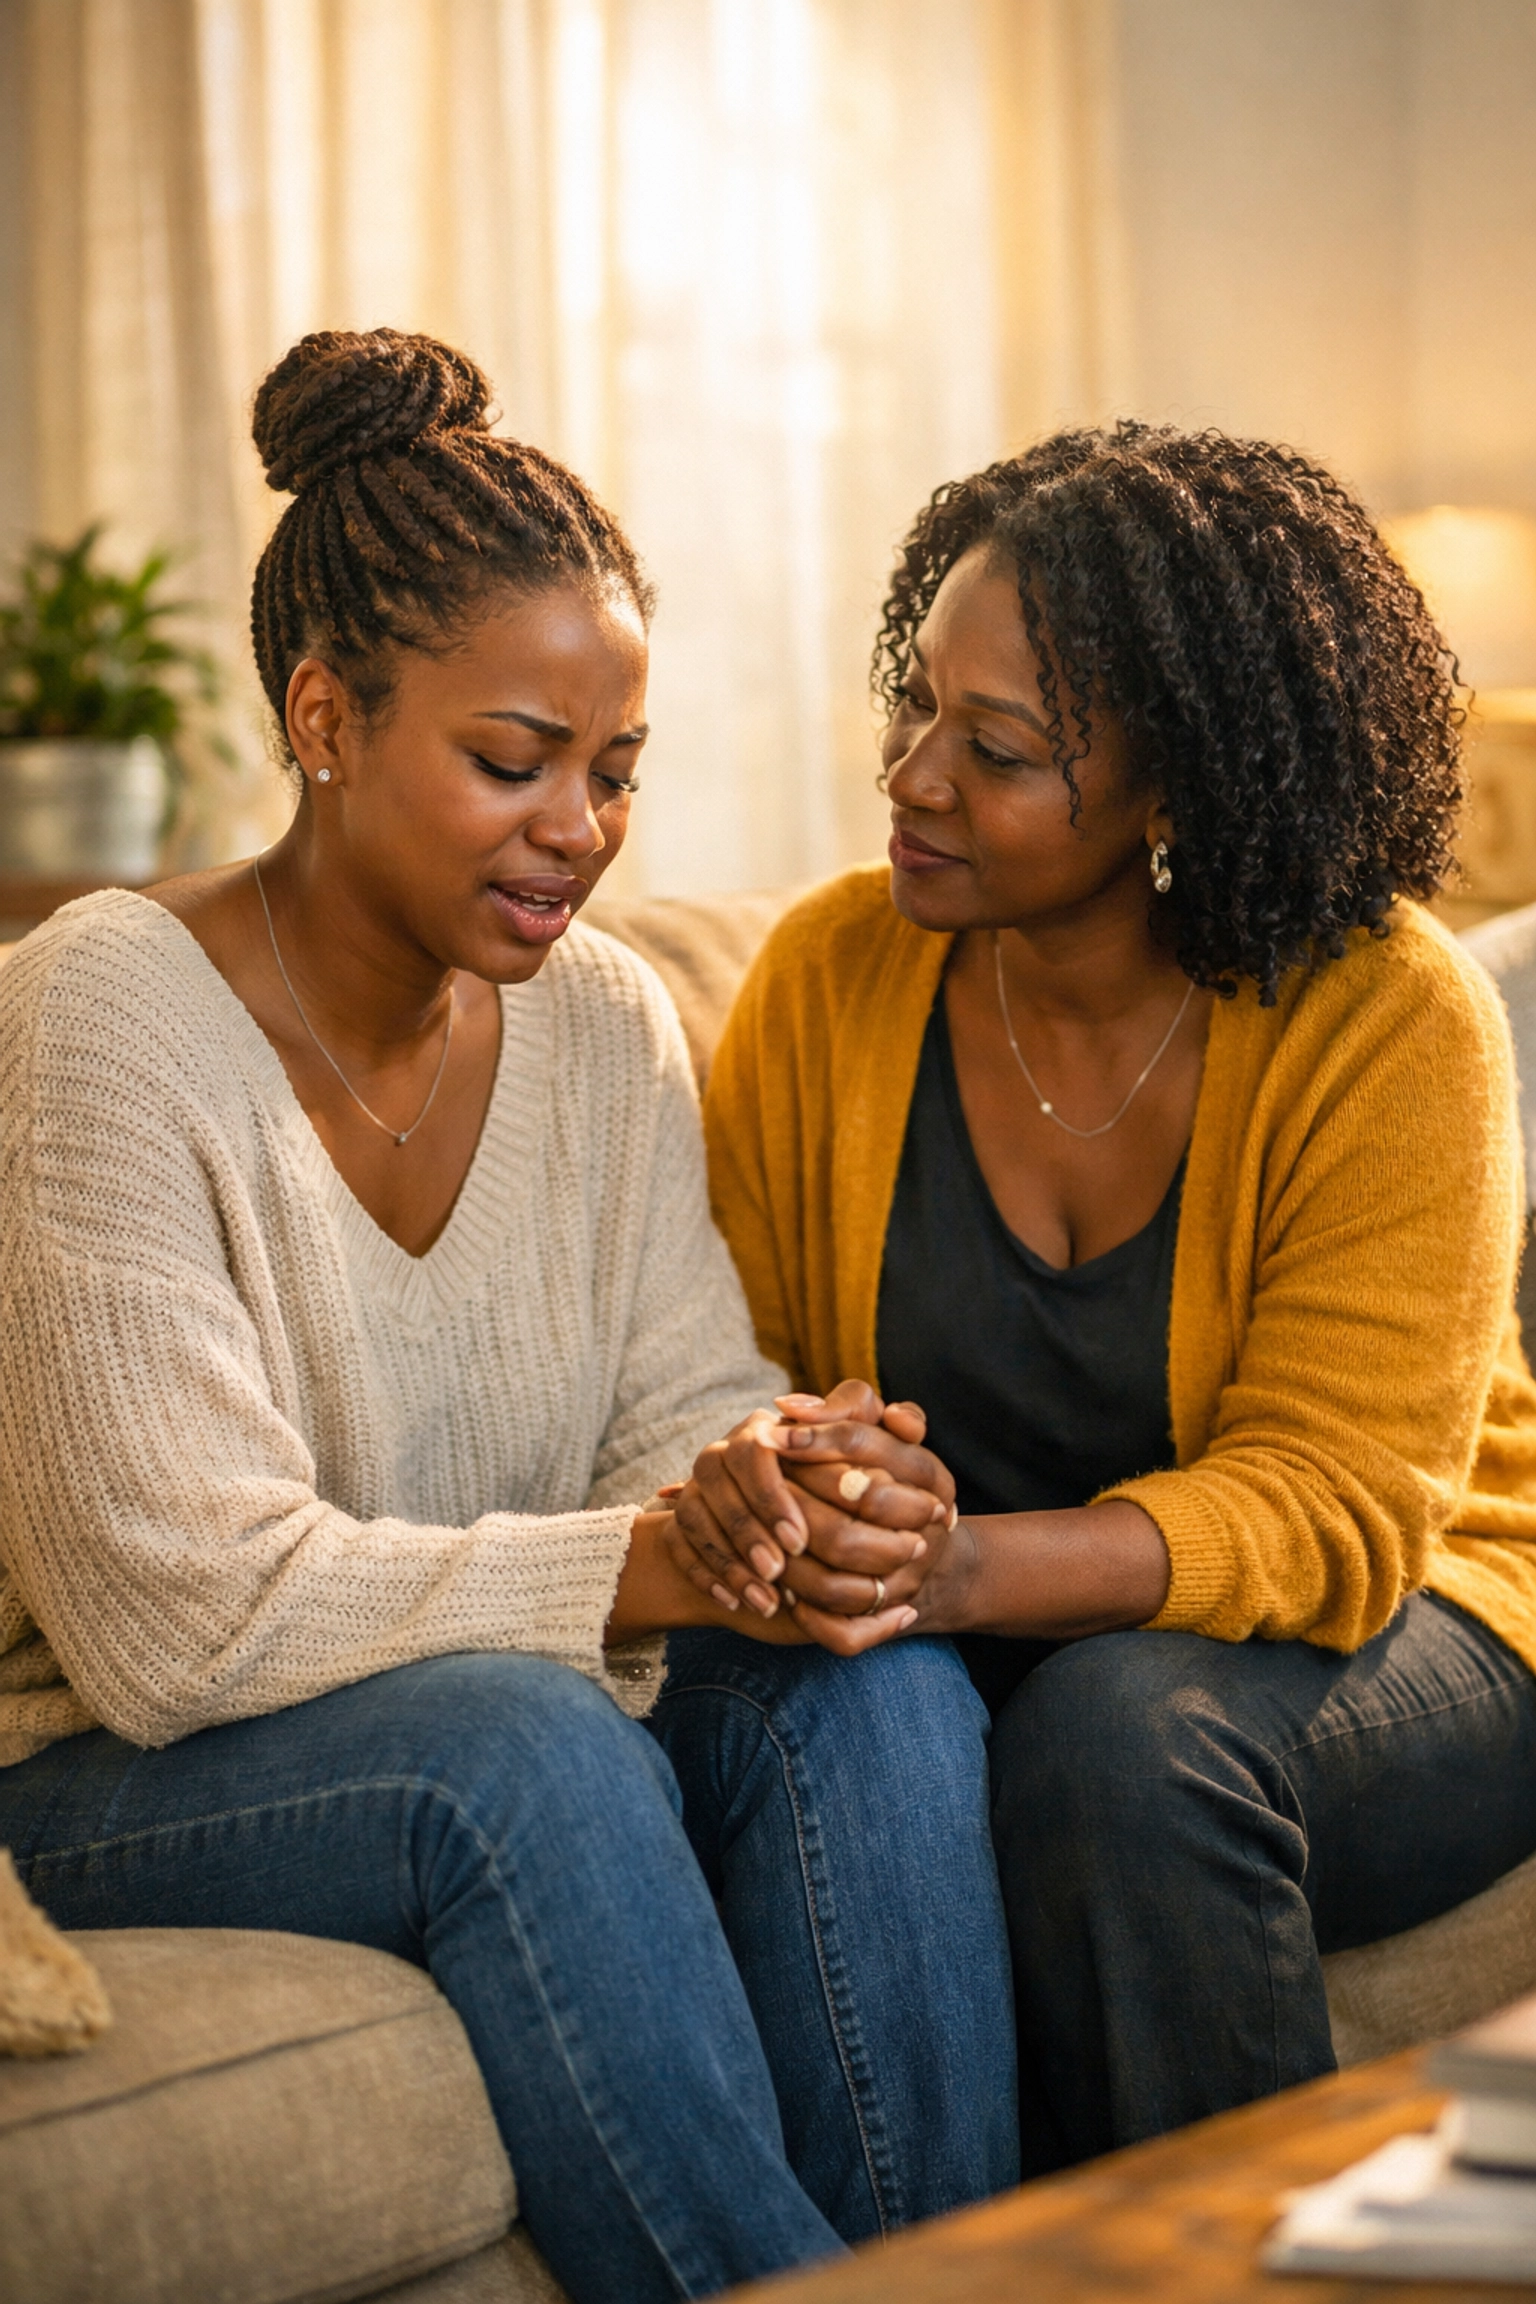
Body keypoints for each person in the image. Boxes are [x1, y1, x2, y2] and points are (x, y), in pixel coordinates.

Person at [0, 329, 1018, 2304]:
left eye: (615, 771)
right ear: (323, 716)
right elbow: (171, 1622)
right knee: (524, 1750)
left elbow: (680, 1404)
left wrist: (779, 1493)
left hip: (476, 1691)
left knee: (874, 1675)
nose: (581, 827)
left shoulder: (601, 1020)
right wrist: (648, 1558)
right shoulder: (97, 1011)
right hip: (98, 1764)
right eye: (512, 762)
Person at [690, 421, 1536, 2173]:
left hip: (1425, 1610)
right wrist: (809, 1478)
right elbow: (732, 1363)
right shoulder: (828, 981)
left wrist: (962, 1571)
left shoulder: (1387, 1015)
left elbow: (1337, 1508)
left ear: (1177, 789)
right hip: (984, 1637)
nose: (912, 776)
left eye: (994, 750)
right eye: (916, 707)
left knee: (1118, 1737)